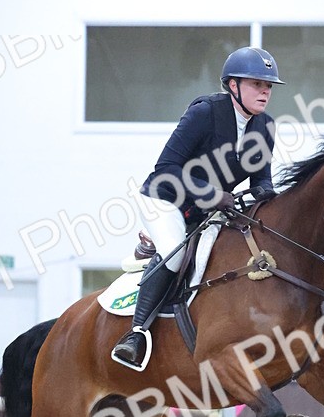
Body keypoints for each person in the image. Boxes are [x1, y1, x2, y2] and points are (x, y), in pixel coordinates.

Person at [111, 46, 284, 370]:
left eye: (268, 86)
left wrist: (273, 200)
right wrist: (212, 194)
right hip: (166, 199)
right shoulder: (205, 113)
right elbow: (166, 167)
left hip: (208, 208)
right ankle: (135, 334)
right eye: (256, 84)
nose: (265, 91)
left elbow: (262, 182)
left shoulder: (265, 127)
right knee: (176, 254)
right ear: (232, 85)